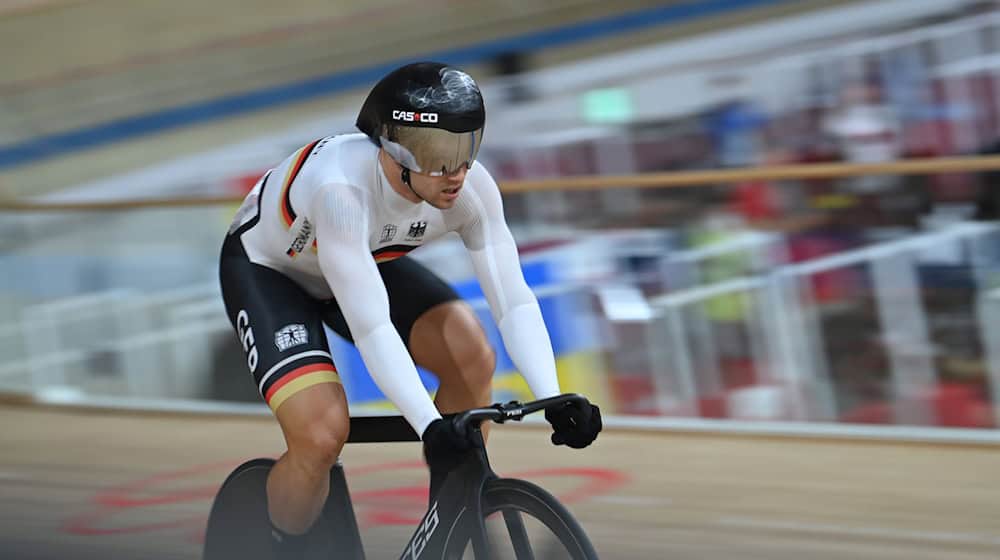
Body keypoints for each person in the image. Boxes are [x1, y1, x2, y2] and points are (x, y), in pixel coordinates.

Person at [218, 61, 602, 559]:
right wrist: (429, 424)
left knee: (473, 357)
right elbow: (374, 328)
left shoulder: (472, 190)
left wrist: (553, 397)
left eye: (465, 149)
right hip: (270, 273)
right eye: (437, 156)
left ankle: (454, 510)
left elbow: (513, 298)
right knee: (320, 435)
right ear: (393, 151)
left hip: (361, 257)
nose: (456, 173)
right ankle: (279, 546)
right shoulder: (341, 193)